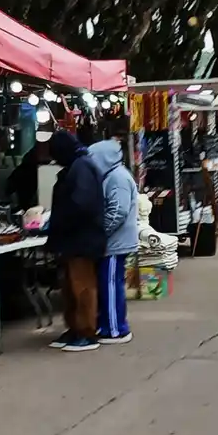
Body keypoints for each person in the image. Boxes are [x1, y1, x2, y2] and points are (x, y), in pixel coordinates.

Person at [45, 131, 108, 351]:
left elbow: (82, 205)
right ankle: (75, 328)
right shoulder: (77, 167)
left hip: (82, 239)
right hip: (74, 239)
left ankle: (86, 332)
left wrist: (62, 222)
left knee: (82, 287)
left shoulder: (81, 168)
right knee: (71, 287)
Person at [88, 136, 138, 345]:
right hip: (114, 242)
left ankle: (116, 330)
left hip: (115, 243)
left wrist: (101, 232)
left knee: (110, 285)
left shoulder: (117, 178)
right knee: (109, 284)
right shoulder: (112, 176)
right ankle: (108, 324)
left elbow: (118, 211)